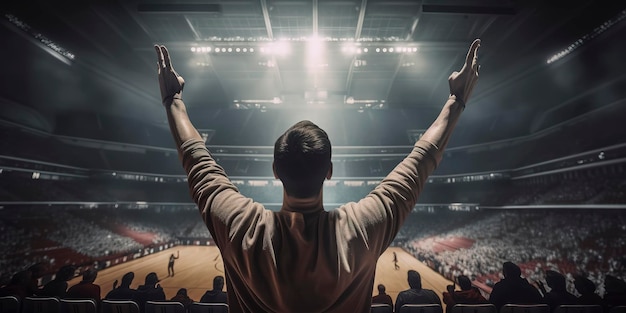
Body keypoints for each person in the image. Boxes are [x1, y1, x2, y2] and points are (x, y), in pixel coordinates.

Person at [154, 37, 481, 313]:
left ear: (275, 171)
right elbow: (419, 162)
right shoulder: (361, 229)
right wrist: (456, 101)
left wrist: (173, 101)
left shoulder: (240, 224)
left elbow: (197, 160)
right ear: (329, 172)